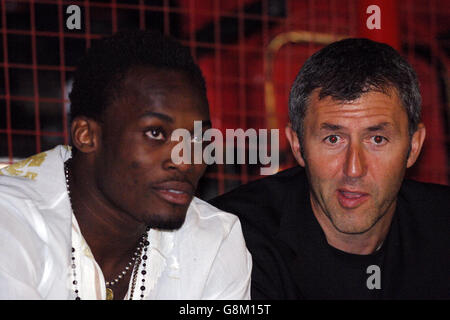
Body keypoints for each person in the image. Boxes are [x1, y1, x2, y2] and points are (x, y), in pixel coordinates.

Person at [0, 30, 251, 300]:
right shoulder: (11, 219)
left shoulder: (214, 240)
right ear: (87, 135)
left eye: (198, 138)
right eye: (156, 133)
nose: (186, 159)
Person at [210, 38, 450, 299]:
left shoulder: (442, 227)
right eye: (333, 139)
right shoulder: (234, 238)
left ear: (414, 146)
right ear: (298, 146)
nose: (354, 169)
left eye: (377, 139)